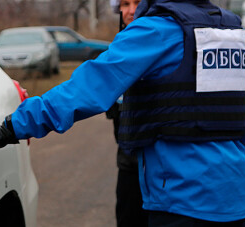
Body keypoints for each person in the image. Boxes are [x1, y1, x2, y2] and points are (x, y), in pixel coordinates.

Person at [0, 0, 245, 226]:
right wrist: (231, 175)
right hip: (233, 200)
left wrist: (14, 126)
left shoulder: (157, 29)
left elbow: (88, 88)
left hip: (181, 201)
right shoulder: (231, 31)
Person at [107, 0, 147, 226]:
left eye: (137, 3)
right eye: (125, 4)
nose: (131, 11)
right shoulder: (115, 52)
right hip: (128, 166)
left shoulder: (166, 45)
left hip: (163, 170)